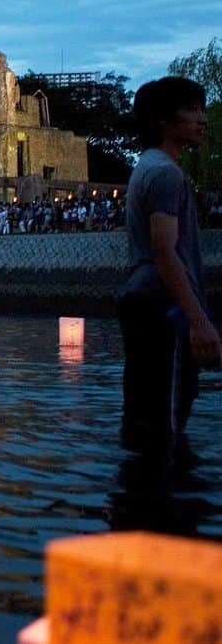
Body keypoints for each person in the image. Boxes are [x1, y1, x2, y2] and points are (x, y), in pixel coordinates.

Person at [119, 76, 216, 452]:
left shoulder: (146, 166)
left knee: (144, 415)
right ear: (165, 120)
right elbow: (165, 250)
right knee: (167, 418)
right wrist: (199, 320)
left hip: (143, 298)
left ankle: (137, 499)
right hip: (164, 305)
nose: (202, 119)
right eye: (192, 110)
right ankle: (163, 503)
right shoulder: (165, 174)